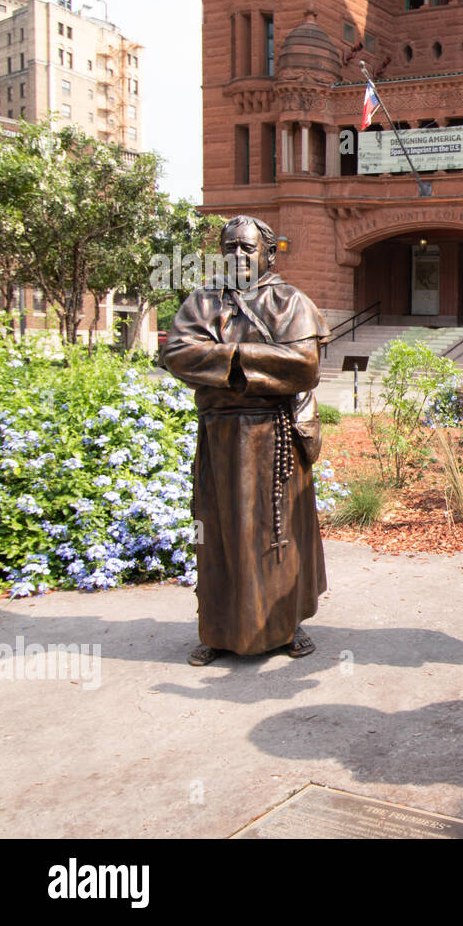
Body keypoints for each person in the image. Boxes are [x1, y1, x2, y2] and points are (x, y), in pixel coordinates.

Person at [163, 215, 330, 666]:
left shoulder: (289, 301)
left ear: (269, 254)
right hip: (219, 438)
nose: (237, 255)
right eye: (229, 247)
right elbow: (177, 354)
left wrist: (223, 360)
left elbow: (302, 365)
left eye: (247, 247)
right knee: (219, 533)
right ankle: (219, 630)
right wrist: (256, 361)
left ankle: (287, 623)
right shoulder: (202, 301)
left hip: (274, 434)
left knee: (279, 534)